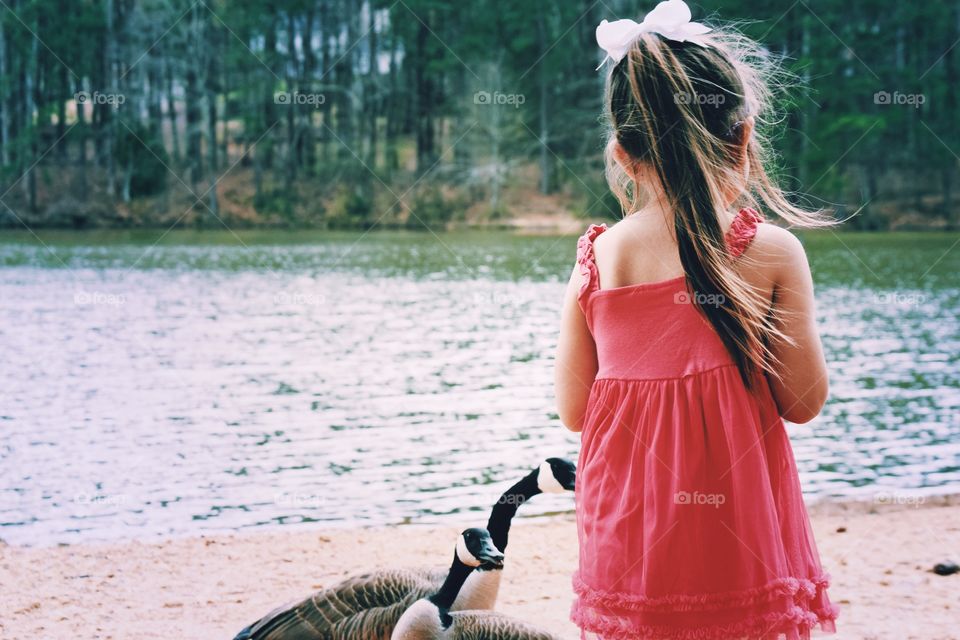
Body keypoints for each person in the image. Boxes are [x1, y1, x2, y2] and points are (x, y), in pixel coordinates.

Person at [555, 2, 839, 638]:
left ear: (623, 154)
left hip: (627, 538)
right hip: (740, 540)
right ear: (742, 137)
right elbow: (804, 401)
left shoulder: (595, 262)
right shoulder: (769, 251)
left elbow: (574, 411)